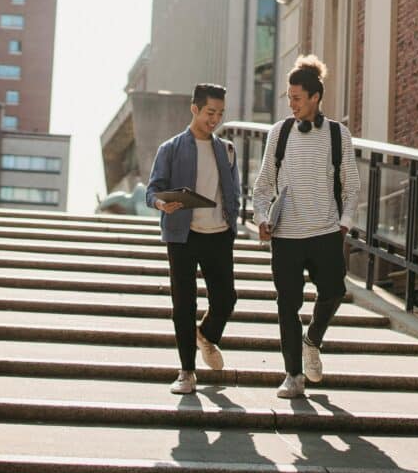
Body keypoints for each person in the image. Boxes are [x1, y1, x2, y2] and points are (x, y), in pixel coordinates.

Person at [252, 55, 360, 398]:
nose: (292, 104)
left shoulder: (338, 135)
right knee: (287, 304)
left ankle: (312, 339)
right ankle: (293, 375)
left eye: (297, 98)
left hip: (326, 233)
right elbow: (263, 184)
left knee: (335, 291)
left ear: (315, 97)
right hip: (287, 237)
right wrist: (261, 217)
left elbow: (351, 184)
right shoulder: (279, 133)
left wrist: (344, 224)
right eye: (289, 98)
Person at [146, 83, 241, 394]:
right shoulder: (171, 149)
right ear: (195, 109)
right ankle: (187, 371)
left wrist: (232, 224)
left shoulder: (226, 149)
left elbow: (234, 192)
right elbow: (152, 190)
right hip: (182, 235)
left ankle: (206, 335)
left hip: (218, 235)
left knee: (226, 299)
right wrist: (162, 203)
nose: (215, 119)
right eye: (210, 112)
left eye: (220, 114)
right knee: (183, 305)